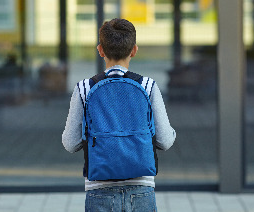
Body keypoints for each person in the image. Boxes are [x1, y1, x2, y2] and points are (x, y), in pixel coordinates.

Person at [62, 18, 176, 212]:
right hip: (142, 189)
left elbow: (70, 143)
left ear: (100, 50)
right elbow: (165, 141)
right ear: (134, 50)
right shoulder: (148, 86)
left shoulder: (84, 88)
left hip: (98, 189)